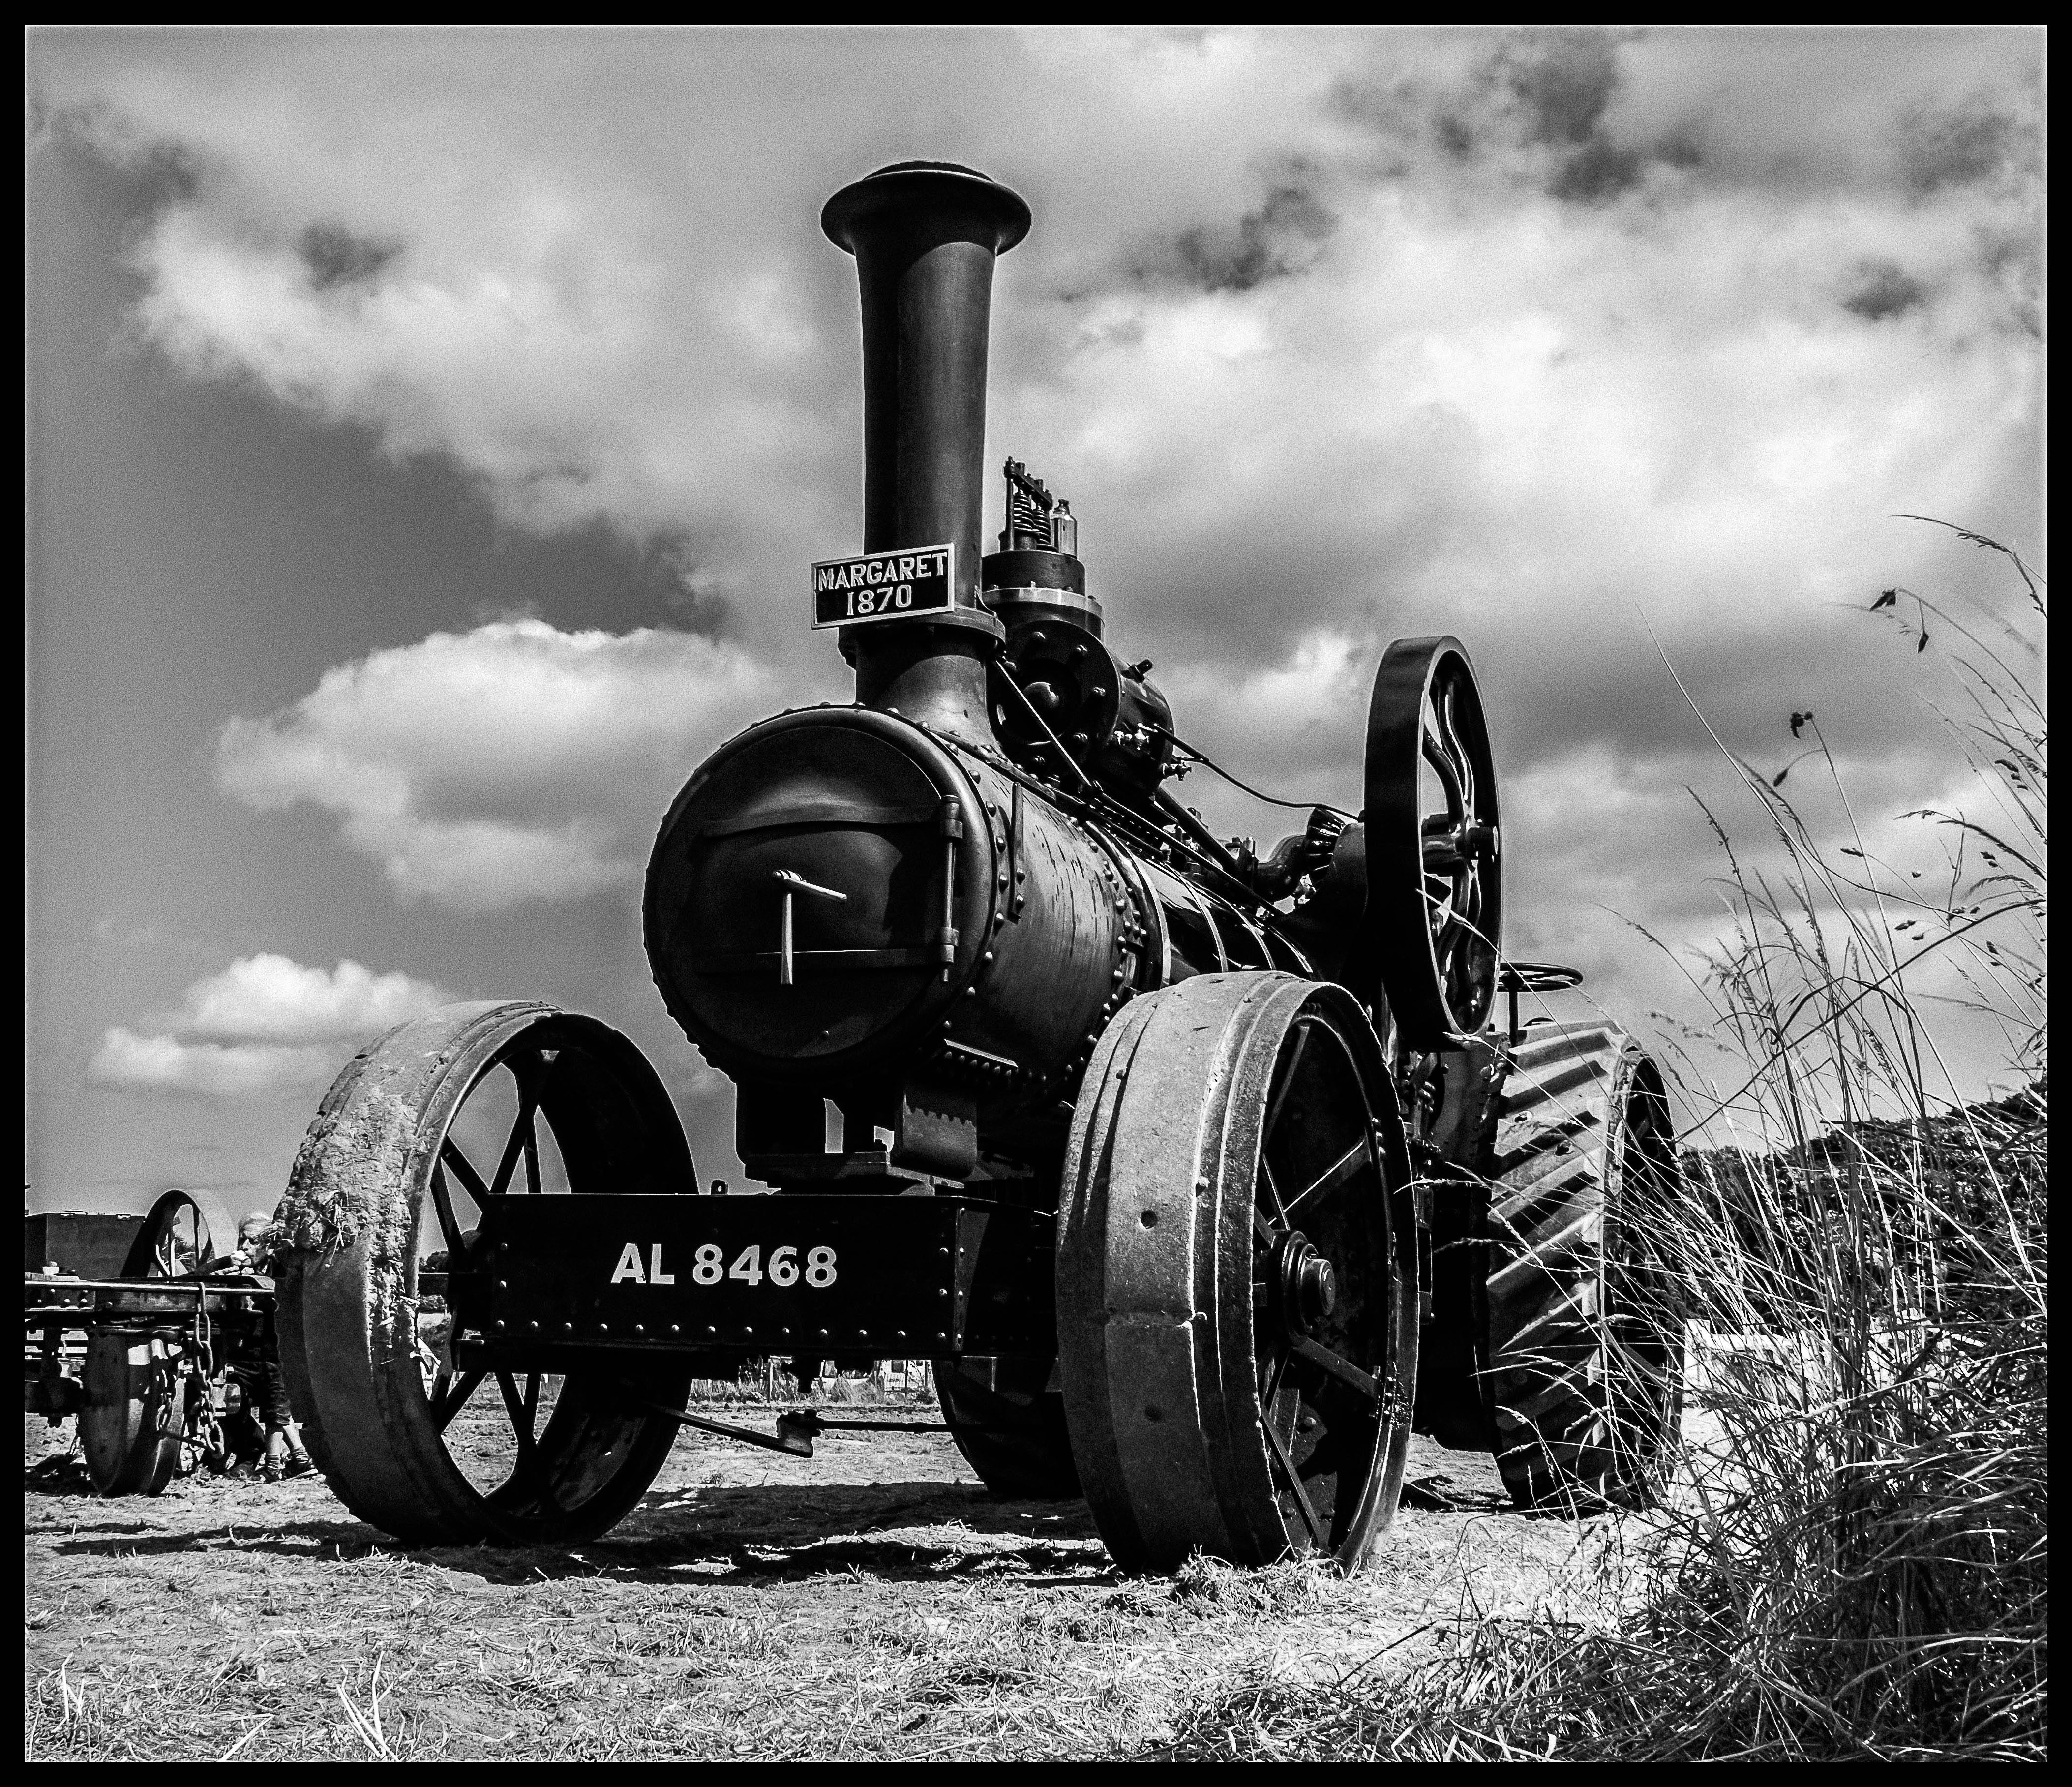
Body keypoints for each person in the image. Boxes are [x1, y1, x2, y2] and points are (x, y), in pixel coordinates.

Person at [225, 1210, 316, 1483]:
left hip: (277, 1351)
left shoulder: (282, 1270)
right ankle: (299, 1457)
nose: (244, 1247)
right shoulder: (240, 1271)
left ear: (269, 1243)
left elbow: (286, 1299)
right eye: (242, 1240)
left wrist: (253, 1280)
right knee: (259, 1405)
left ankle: (273, 1465)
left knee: (276, 1408)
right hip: (248, 1353)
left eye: (252, 1242)